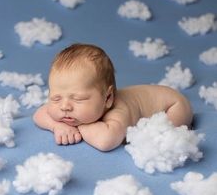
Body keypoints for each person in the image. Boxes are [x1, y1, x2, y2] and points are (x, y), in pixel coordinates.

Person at [33, 43, 193, 151]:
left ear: (108, 98)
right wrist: (57, 126)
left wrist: (77, 127)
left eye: (78, 99)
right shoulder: (66, 106)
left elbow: (106, 141)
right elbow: (39, 114)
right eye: (55, 98)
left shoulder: (117, 111)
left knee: (163, 137)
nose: (64, 106)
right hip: (156, 96)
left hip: (173, 105)